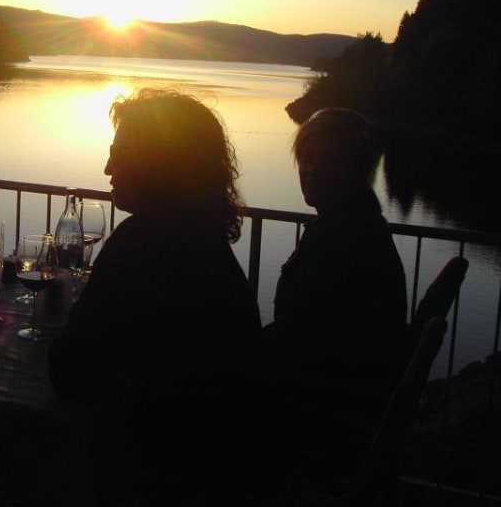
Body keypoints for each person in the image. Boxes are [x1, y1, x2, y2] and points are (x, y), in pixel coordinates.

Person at [48, 88, 279, 505]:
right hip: (233, 469)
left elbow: (68, 371)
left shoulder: (141, 242)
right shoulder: (204, 242)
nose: (107, 168)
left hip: (159, 479)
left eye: (119, 155)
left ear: (156, 162)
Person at [263, 107, 407, 480]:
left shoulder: (342, 240)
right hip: (340, 413)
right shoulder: (357, 226)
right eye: (307, 158)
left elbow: (295, 343)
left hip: (321, 428)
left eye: (328, 159)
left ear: (358, 168)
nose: (311, 168)